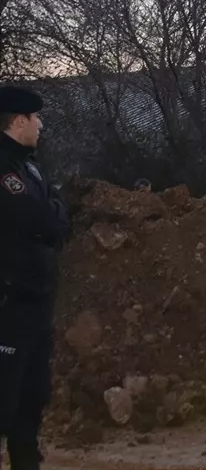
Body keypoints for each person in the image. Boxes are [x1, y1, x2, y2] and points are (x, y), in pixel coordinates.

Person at [0, 86, 69, 470]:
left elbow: (57, 218)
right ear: (20, 120)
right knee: (4, 399)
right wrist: (52, 214)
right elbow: (42, 219)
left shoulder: (30, 167)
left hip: (37, 304)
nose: (41, 124)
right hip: (9, 305)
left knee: (32, 396)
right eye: (37, 118)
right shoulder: (4, 168)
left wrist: (52, 213)